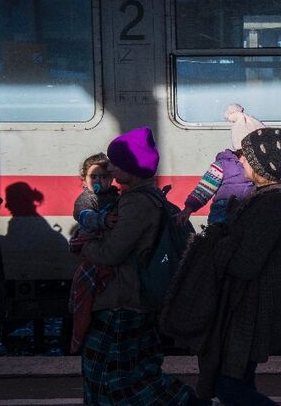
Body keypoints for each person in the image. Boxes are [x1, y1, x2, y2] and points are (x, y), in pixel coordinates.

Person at [184, 127, 281, 404]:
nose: (240, 161)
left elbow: (245, 264)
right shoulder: (270, 198)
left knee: (229, 385)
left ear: (262, 165)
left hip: (251, 307)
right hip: (249, 305)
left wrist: (219, 242)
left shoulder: (271, 203)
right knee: (239, 378)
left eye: (246, 157)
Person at [80, 127, 202, 405]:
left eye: (115, 163)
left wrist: (82, 245)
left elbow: (111, 252)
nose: (109, 167)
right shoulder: (152, 198)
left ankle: (187, 401)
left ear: (132, 169)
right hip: (137, 298)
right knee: (137, 372)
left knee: (113, 378)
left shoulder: (136, 203)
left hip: (123, 301)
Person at [176, 103, 264, 226]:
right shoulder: (223, 164)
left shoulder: (261, 164)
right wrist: (188, 209)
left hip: (248, 215)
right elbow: (204, 189)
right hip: (223, 215)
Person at [67, 153, 120, 354]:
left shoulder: (116, 196)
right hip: (94, 252)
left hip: (107, 249)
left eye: (104, 177)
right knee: (87, 293)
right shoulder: (85, 199)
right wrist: (103, 220)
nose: (99, 181)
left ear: (112, 178)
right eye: (94, 177)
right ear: (84, 180)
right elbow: (85, 216)